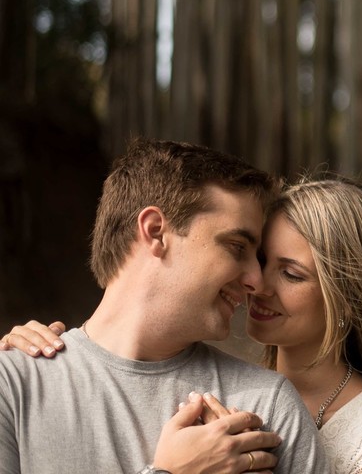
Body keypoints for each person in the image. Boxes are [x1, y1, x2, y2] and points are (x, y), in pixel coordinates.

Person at [5, 175, 362, 474]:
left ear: (350, 299)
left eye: (291, 274)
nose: (256, 283)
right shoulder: (229, 388)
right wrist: (48, 364)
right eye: (257, 259)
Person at [0, 138, 329, 473]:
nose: (256, 281)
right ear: (156, 232)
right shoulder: (13, 384)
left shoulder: (268, 404)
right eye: (236, 247)